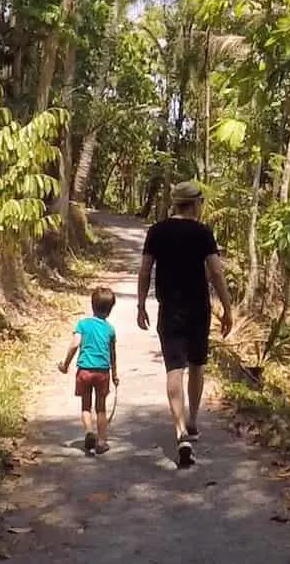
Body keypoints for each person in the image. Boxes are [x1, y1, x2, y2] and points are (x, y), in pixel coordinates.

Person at [137, 181, 233, 468]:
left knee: (173, 369)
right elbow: (215, 272)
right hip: (198, 309)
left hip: (170, 309)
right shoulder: (203, 233)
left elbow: (144, 270)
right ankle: (192, 421)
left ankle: (180, 432)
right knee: (196, 365)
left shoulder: (157, 231)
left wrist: (141, 304)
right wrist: (227, 309)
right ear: (195, 204)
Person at [58, 287, 118, 455]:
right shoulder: (110, 329)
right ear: (110, 310)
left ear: (92, 305)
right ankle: (101, 441)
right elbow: (113, 354)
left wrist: (65, 364)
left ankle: (88, 432)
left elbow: (75, 344)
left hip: (84, 371)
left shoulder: (82, 324)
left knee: (86, 406)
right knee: (101, 408)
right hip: (103, 372)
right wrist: (114, 374)